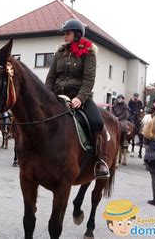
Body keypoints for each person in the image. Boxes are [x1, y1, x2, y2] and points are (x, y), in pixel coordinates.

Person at [45, 18, 109, 179]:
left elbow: (89, 80)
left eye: (68, 33)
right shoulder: (59, 53)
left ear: (78, 34)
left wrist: (80, 98)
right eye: (64, 33)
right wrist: (46, 95)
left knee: (97, 122)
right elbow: (51, 77)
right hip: (57, 95)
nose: (65, 36)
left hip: (79, 97)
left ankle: (100, 160)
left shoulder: (88, 52)